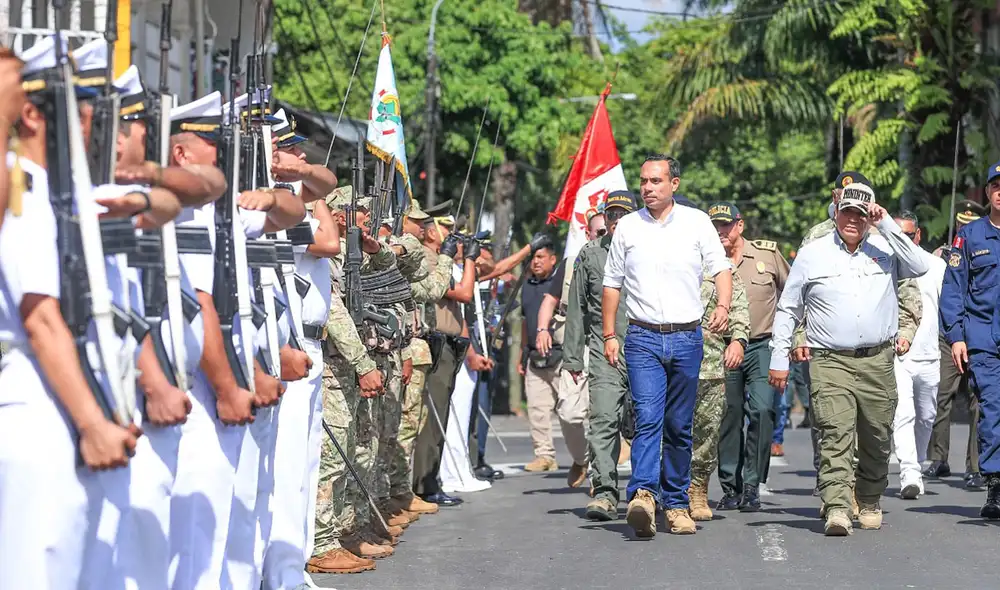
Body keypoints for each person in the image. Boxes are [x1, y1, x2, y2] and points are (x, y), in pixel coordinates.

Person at [0, 35, 138, 590]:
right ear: (32, 114)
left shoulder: (52, 192)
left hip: (60, 396)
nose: (90, 126)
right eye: (76, 110)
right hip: (34, 402)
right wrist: (91, 422)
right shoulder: (24, 191)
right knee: (40, 566)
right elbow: (41, 319)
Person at [769, 183, 930, 536]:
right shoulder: (813, 252)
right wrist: (780, 355)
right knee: (835, 433)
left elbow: (920, 266)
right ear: (836, 211)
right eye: (847, 211)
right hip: (829, 361)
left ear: (870, 215)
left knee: (876, 436)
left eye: (861, 213)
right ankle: (838, 506)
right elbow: (789, 307)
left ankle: (869, 499)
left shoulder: (886, 247)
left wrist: (886, 222)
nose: (853, 220)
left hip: (877, 360)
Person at [602, 155, 732, 538]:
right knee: (648, 417)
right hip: (642, 337)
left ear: (674, 184)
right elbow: (612, 283)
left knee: (678, 425)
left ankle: (675, 505)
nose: (647, 188)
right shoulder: (627, 226)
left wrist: (723, 305)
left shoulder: (696, 223)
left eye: (656, 181)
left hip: (687, 337)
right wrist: (610, 335)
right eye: (643, 181)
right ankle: (643, 493)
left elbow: (721, 267)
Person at [709, 202, 790, 512]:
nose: (721, 231)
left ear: (739, 226)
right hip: (721, 346)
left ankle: (753, 484)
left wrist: (795, 337)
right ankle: (731, 486)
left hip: (762, 345)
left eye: (726, 225)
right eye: (716, 226)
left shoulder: (766, 255)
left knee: (762, 410)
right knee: (728, 414)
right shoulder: (706, 260)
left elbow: (793, 292)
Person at [563, 190, 636, 521]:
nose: (617, 220)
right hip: (605, 352)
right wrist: (573, 359)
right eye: (611, 214)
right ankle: (605, 492)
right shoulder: (591, 255)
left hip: (646, 349)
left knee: (647, 425)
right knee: (603, 420)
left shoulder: (650, 250)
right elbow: (577, 309)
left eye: (623, 214)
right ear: (604, 219)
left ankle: (650, 492)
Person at [940, 164, 1000, 519]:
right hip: (983, 340)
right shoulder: (970, 236)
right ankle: (994, 484)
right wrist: (957, 337)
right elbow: (953, 291)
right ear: (988, 192)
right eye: (995, 186)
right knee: (992, 411)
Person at [925, 199, 985, 489]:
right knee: (941, 395)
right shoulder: (942, 255)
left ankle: (976, 466)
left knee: (979, 400)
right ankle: (938, 457)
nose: (966, 227)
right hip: (949, 333)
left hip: (979, 332)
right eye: (962, 222)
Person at [520, 239, 589, 483]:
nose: (536, 262)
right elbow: (523, 322)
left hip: (563, 354)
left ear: (553, 259)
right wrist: (522, 353)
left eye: (541, 257)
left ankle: (590, 457)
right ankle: (544, 455)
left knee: (572, 410)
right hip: (535, 355)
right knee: (538, 410)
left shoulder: (564, 279)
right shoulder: (526, 285)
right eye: (534, 257)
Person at [890, 210, 945, 500]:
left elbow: (949, 308)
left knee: (926, 416)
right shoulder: (886, 264)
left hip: (930, 355)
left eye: (908, 237)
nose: (903, 243)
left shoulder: (936, 266)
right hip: (898, 355)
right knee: (904, 414)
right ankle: (909, 474)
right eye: (897, 236)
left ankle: (917, 464)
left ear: (918, 235)